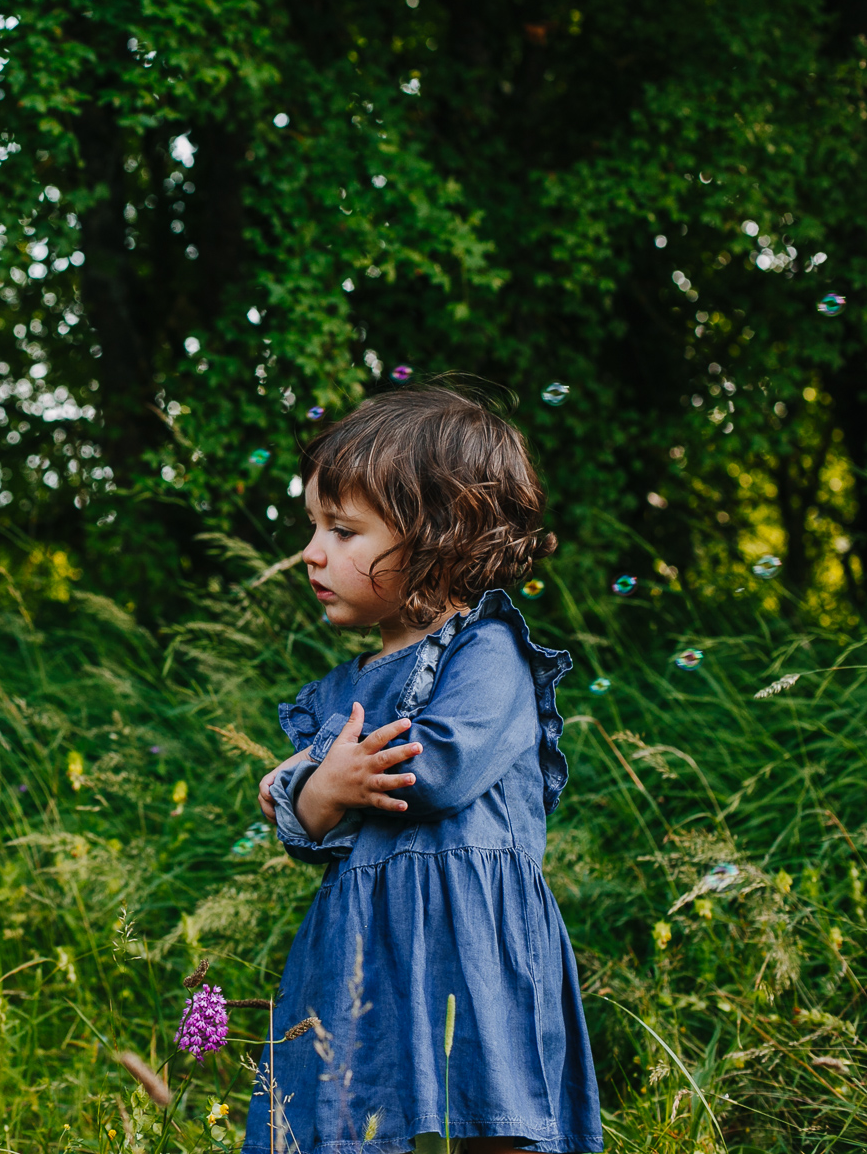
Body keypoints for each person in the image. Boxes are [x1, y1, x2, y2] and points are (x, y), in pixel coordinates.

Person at [241, 386, 602, 1154]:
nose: (311, 553)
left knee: (490, 1119)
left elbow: (434, 770)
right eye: (314, 528)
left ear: (437, 538)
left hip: (473, 937)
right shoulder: (340, 692)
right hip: (368, 944)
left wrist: (316, 775)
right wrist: (315, 792)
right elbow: (296, 826)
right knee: (357, 1121)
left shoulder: (490, 651)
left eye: (342, 531)